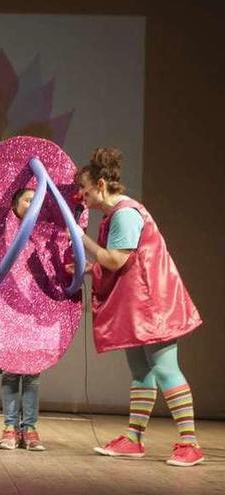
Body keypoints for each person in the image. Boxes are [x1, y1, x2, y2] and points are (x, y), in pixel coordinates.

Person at [70, 148, 203, 467]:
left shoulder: (126, 213)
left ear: (100, 184)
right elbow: (117, 262)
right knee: (141, 371)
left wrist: (82, 240)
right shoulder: (114, 216)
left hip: (152, 304)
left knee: (165, 368)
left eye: (85, 190)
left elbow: (117, 259)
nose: (81, 196)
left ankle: (190, 442)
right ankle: (134, 438)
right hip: (137, 305)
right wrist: (90, 268)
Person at [0, 188, 44, 451]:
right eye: (28, 199)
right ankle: (10, 427)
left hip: (35, 308)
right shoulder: (3, 226)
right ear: (15, 202)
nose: (33, 203)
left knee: (33, 373)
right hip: (8, 307)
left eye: (36, 199)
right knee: (11, 372)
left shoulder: (43, 229)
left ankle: (30, 428)